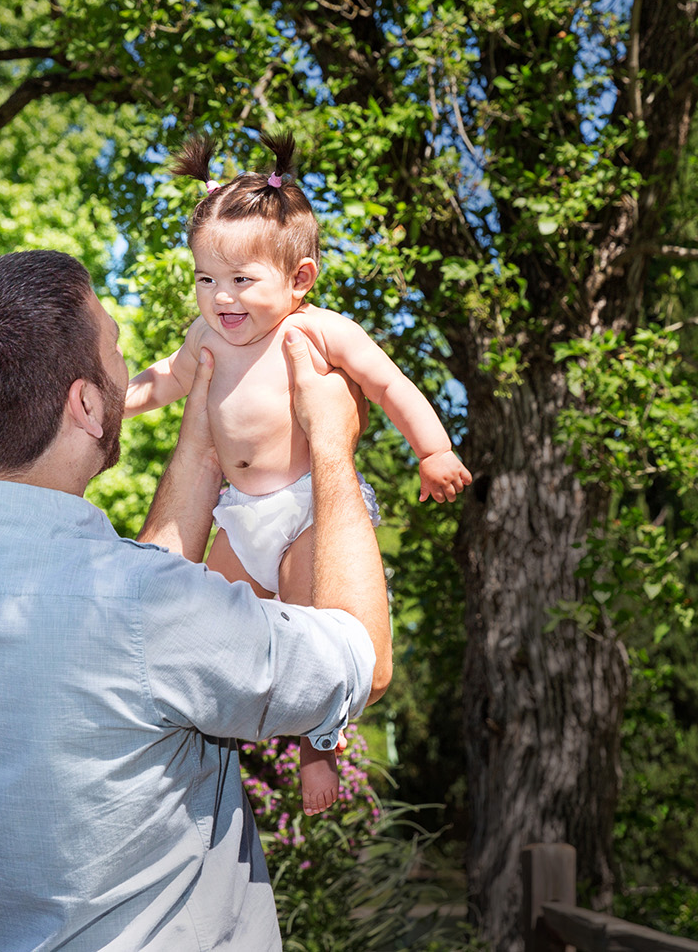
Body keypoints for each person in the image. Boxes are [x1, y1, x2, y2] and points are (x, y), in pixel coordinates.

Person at [0, 248, 391, 951]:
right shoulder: (143, 608)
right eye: (113, 349)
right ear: (84, 403)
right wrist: (333, 444)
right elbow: (359, 658)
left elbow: (127, 635)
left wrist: (202, 449)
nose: (126, 367)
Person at [123, 135, 470, 812]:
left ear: (299, 278)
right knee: (196, 621)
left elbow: (389, 384)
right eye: (205, 279)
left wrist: (433, 449)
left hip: (312, 507)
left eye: (241, 280)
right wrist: (116, 402)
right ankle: (211, 745)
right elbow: (164, 380)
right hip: (240, 513)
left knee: (315, 624)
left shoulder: (315, 332)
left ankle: (319, 751)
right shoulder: (206, 338)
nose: (221, 297)